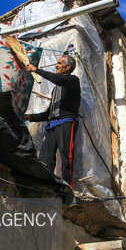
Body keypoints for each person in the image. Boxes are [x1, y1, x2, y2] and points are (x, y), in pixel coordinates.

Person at [23, 55, 81, 188]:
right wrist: (30, 117)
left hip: (66, 122)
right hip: (52, 124)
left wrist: (36, 70)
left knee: (67, 156)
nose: (56, 65)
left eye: (60, 63)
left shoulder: (73, 80)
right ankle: (47, 187)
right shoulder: (56, 89)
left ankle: (68, 190)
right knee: (45, 158)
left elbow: (57, 79)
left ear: (68, 67)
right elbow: (48, 113)